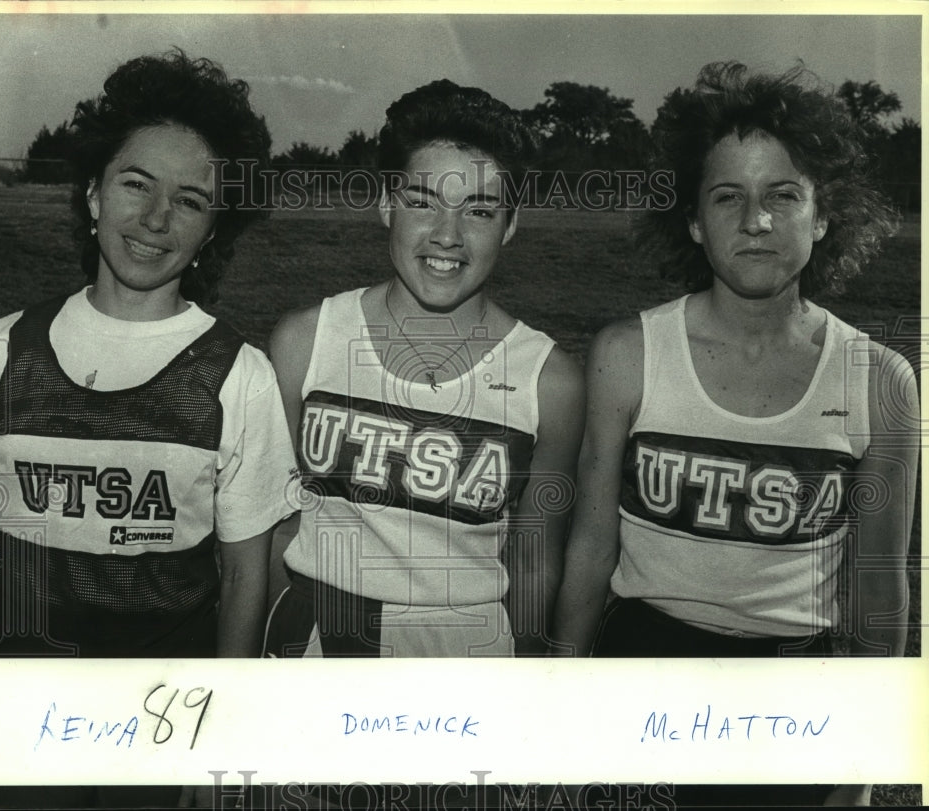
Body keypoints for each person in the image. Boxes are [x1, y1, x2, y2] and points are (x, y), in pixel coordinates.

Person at [553, 61, 918, 804]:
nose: (756, 221)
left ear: (823, 216)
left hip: (791, 697)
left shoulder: (879, 378)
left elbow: (881, 581)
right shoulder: (630, 353)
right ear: (692, 219)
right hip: (642, 669)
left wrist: (865, 766)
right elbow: (591, 543)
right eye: (729, 197)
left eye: (783, 195)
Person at [0, 50, 297, 663]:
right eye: (136, 184)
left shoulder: (241, 375)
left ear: (213, 228)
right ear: (93, 194)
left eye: (189, 200)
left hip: (165, 709)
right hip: (17, 701)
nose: (156, 219)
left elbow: (245, 575)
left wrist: (230, 704)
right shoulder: (1, 349)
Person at [264, 79, 584, 658]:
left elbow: (535, 560)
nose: (447, 235)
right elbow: (272, 527)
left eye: (479, 211)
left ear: (510, 225)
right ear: (387, 204)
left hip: (468, 647)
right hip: (317, 632)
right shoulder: (304, 341)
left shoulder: (549, 379)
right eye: (422, 202)